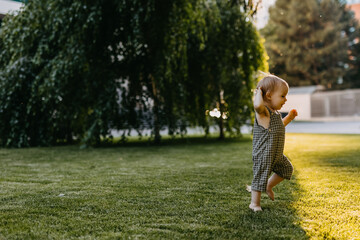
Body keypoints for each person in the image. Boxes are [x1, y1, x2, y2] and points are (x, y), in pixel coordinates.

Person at [249, 75, 298, 212]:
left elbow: (279, 127)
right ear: (269, 95)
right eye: (282, 96)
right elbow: (257, 105)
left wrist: (289, 118)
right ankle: (254, 204)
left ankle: (268, 186)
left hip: (276, 154)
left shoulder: (275, 114)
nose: (285, 99)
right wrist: (258, 92)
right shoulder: (263, 113)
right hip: (264, 153)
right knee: (260, 176)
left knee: (287, 169)